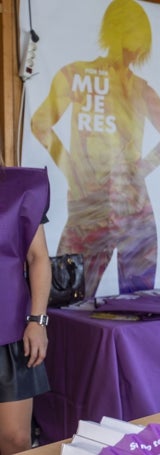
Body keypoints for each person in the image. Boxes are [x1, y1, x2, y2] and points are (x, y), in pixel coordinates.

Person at [30, 0, 160, 297]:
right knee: (65, 303)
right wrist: (72, 169)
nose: (134, 52)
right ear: (114, 34)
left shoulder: (139, 88)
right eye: (131, 43)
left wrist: (138, 170)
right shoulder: (75, 75)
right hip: (94, 211)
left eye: (139, 46)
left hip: (132, 213)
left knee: (136, 307)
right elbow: (40, 124)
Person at [0, 166, 51, 454]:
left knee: (15, 439)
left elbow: (38, 257)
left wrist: (37, 321)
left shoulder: (22, 187)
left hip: (9, 329)